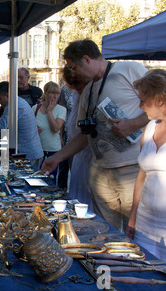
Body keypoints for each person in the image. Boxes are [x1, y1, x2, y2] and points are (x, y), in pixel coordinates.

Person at [41, 39, 148, 232]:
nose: (73, 74)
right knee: (105, 234)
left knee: (136, 233)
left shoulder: (129, 70)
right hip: (101, 174)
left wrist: (132, 124)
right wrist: (57, 158)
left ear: (87, 59)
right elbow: (84, 135)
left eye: (73, 68)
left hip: (131, 170)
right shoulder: (88, 90)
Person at [125, 69, 166, 265]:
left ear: (161, 101)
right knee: (146, 273)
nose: (140, 106)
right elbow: (142, 176)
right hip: (145, 224)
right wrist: (132, 218)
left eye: (144, 101)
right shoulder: (149, 128)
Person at [62, 65, 93, 208]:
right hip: (78, 155)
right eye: (71, 85)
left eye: (76, 83)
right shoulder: (76, 94)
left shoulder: (92, 93)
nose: (74, 88)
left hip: (90, 157)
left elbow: (84, 135)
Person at [32, 81, 66, 183]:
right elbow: (29, 127)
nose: (55, 96)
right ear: (46, 93)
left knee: (50, 180)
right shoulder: (35, 108)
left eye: (57, 93)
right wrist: (34, 129)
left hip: (54, 150)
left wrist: (49, 112)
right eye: (52, 93)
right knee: (36, 179)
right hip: (38, 150)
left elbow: (56, 128)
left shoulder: (61, 109)